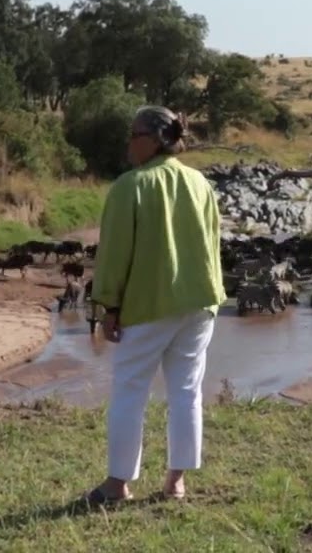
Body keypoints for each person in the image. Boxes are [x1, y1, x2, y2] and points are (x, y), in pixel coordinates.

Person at [82, 105, 227, 506]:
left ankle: (117, 485)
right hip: (200, 301)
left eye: (133, 135)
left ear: (152, 139)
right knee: (186, 390)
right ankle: (175, 482)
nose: (128, 144)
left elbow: (113, 254)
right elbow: (213, 243)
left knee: (130, 391)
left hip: (148, 304)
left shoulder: (130, 186)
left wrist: (107, 307)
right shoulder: (200, 183)